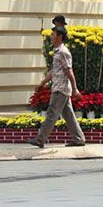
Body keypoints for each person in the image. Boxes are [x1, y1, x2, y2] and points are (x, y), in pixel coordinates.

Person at [32, 22, 87, 150]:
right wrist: (42, 83)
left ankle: (41, 139)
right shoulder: (57, 52)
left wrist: (75, 89)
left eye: (53, 34)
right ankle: (79, 139)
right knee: (68, 114)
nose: (51, 36)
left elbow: (69, 71)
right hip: (58, 87)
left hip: (61, 89)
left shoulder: (63, 52)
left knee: (51, 113)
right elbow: (54, 71)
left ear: (59, 36)